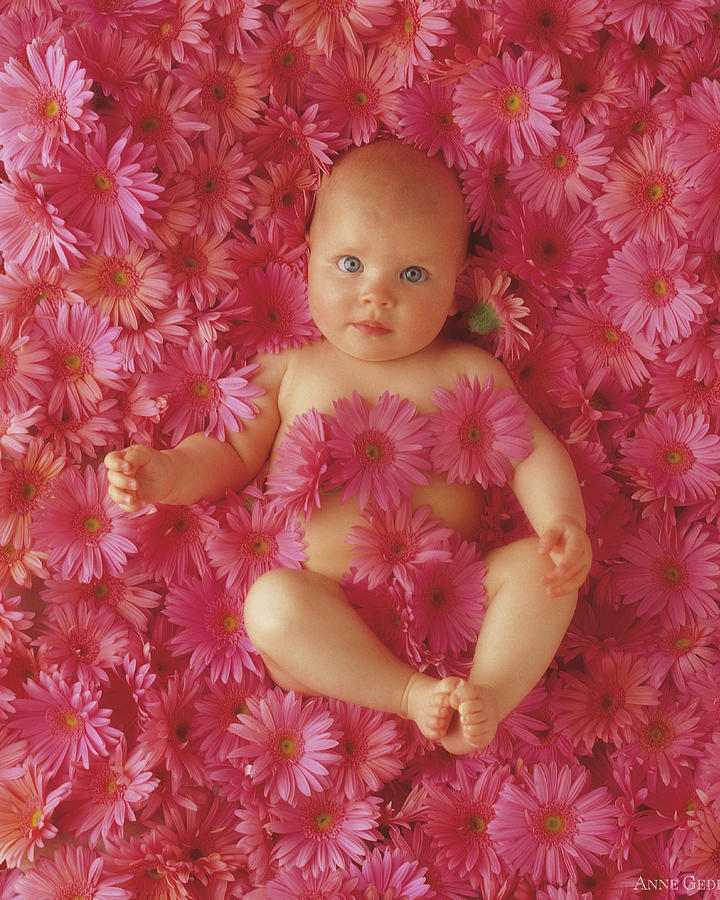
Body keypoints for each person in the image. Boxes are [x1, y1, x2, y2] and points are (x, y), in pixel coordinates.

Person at [104, 138, 592, 755]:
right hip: (331, 614)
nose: (376, 294)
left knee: (541, 573)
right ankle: (408, 695)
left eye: (412, 274)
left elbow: (533, 451)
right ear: (308, 259)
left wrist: (562, 522)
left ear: (455, 288)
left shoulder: (468, 370)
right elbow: (227, 453)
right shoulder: (292, 370)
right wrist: (168, 474)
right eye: (349, 264)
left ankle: (485, 695)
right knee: (272, 606)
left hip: (456, 602)